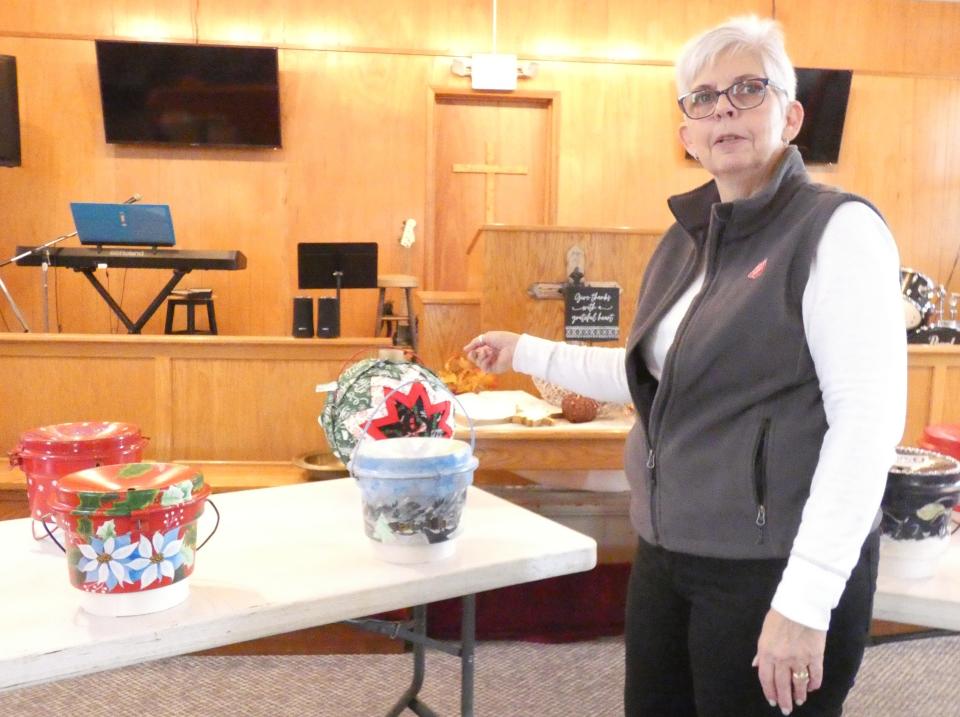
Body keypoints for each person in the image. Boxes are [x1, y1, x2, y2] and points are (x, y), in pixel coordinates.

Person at [463, 15, 906, 717]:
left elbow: (868, 424)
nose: (723, 107)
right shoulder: (684, 240)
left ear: (790, 116)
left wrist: (806, 596)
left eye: (747, 89)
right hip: (669, 558)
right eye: (702, 98)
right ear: (687, 135)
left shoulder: (836, 229)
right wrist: (525, 351)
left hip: (772, 570)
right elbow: (653, 380)